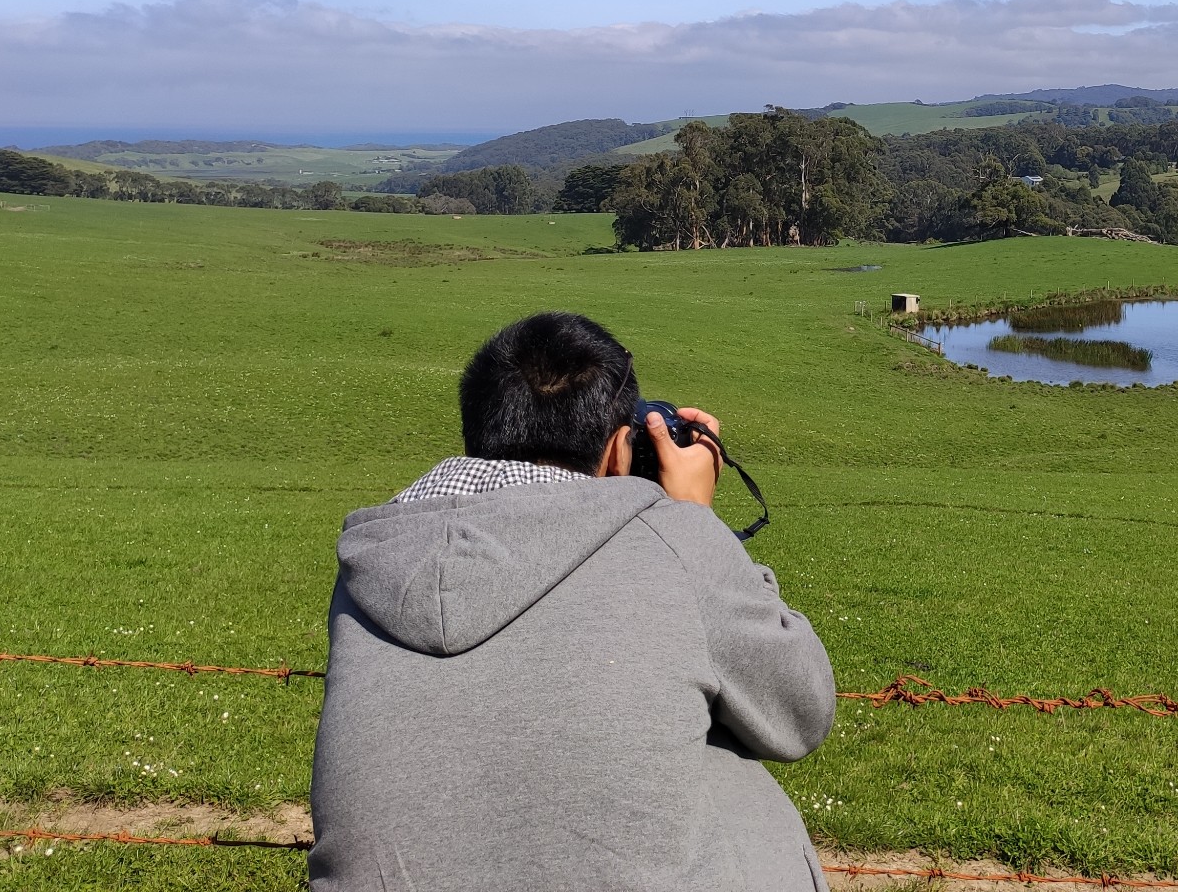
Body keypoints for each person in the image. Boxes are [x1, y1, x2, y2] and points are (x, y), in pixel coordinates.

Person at [308, 311, 836, 892]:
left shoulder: (374, 560)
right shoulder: (674, 537)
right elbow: (801, 712)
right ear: (617, 449)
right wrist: (697, 520)